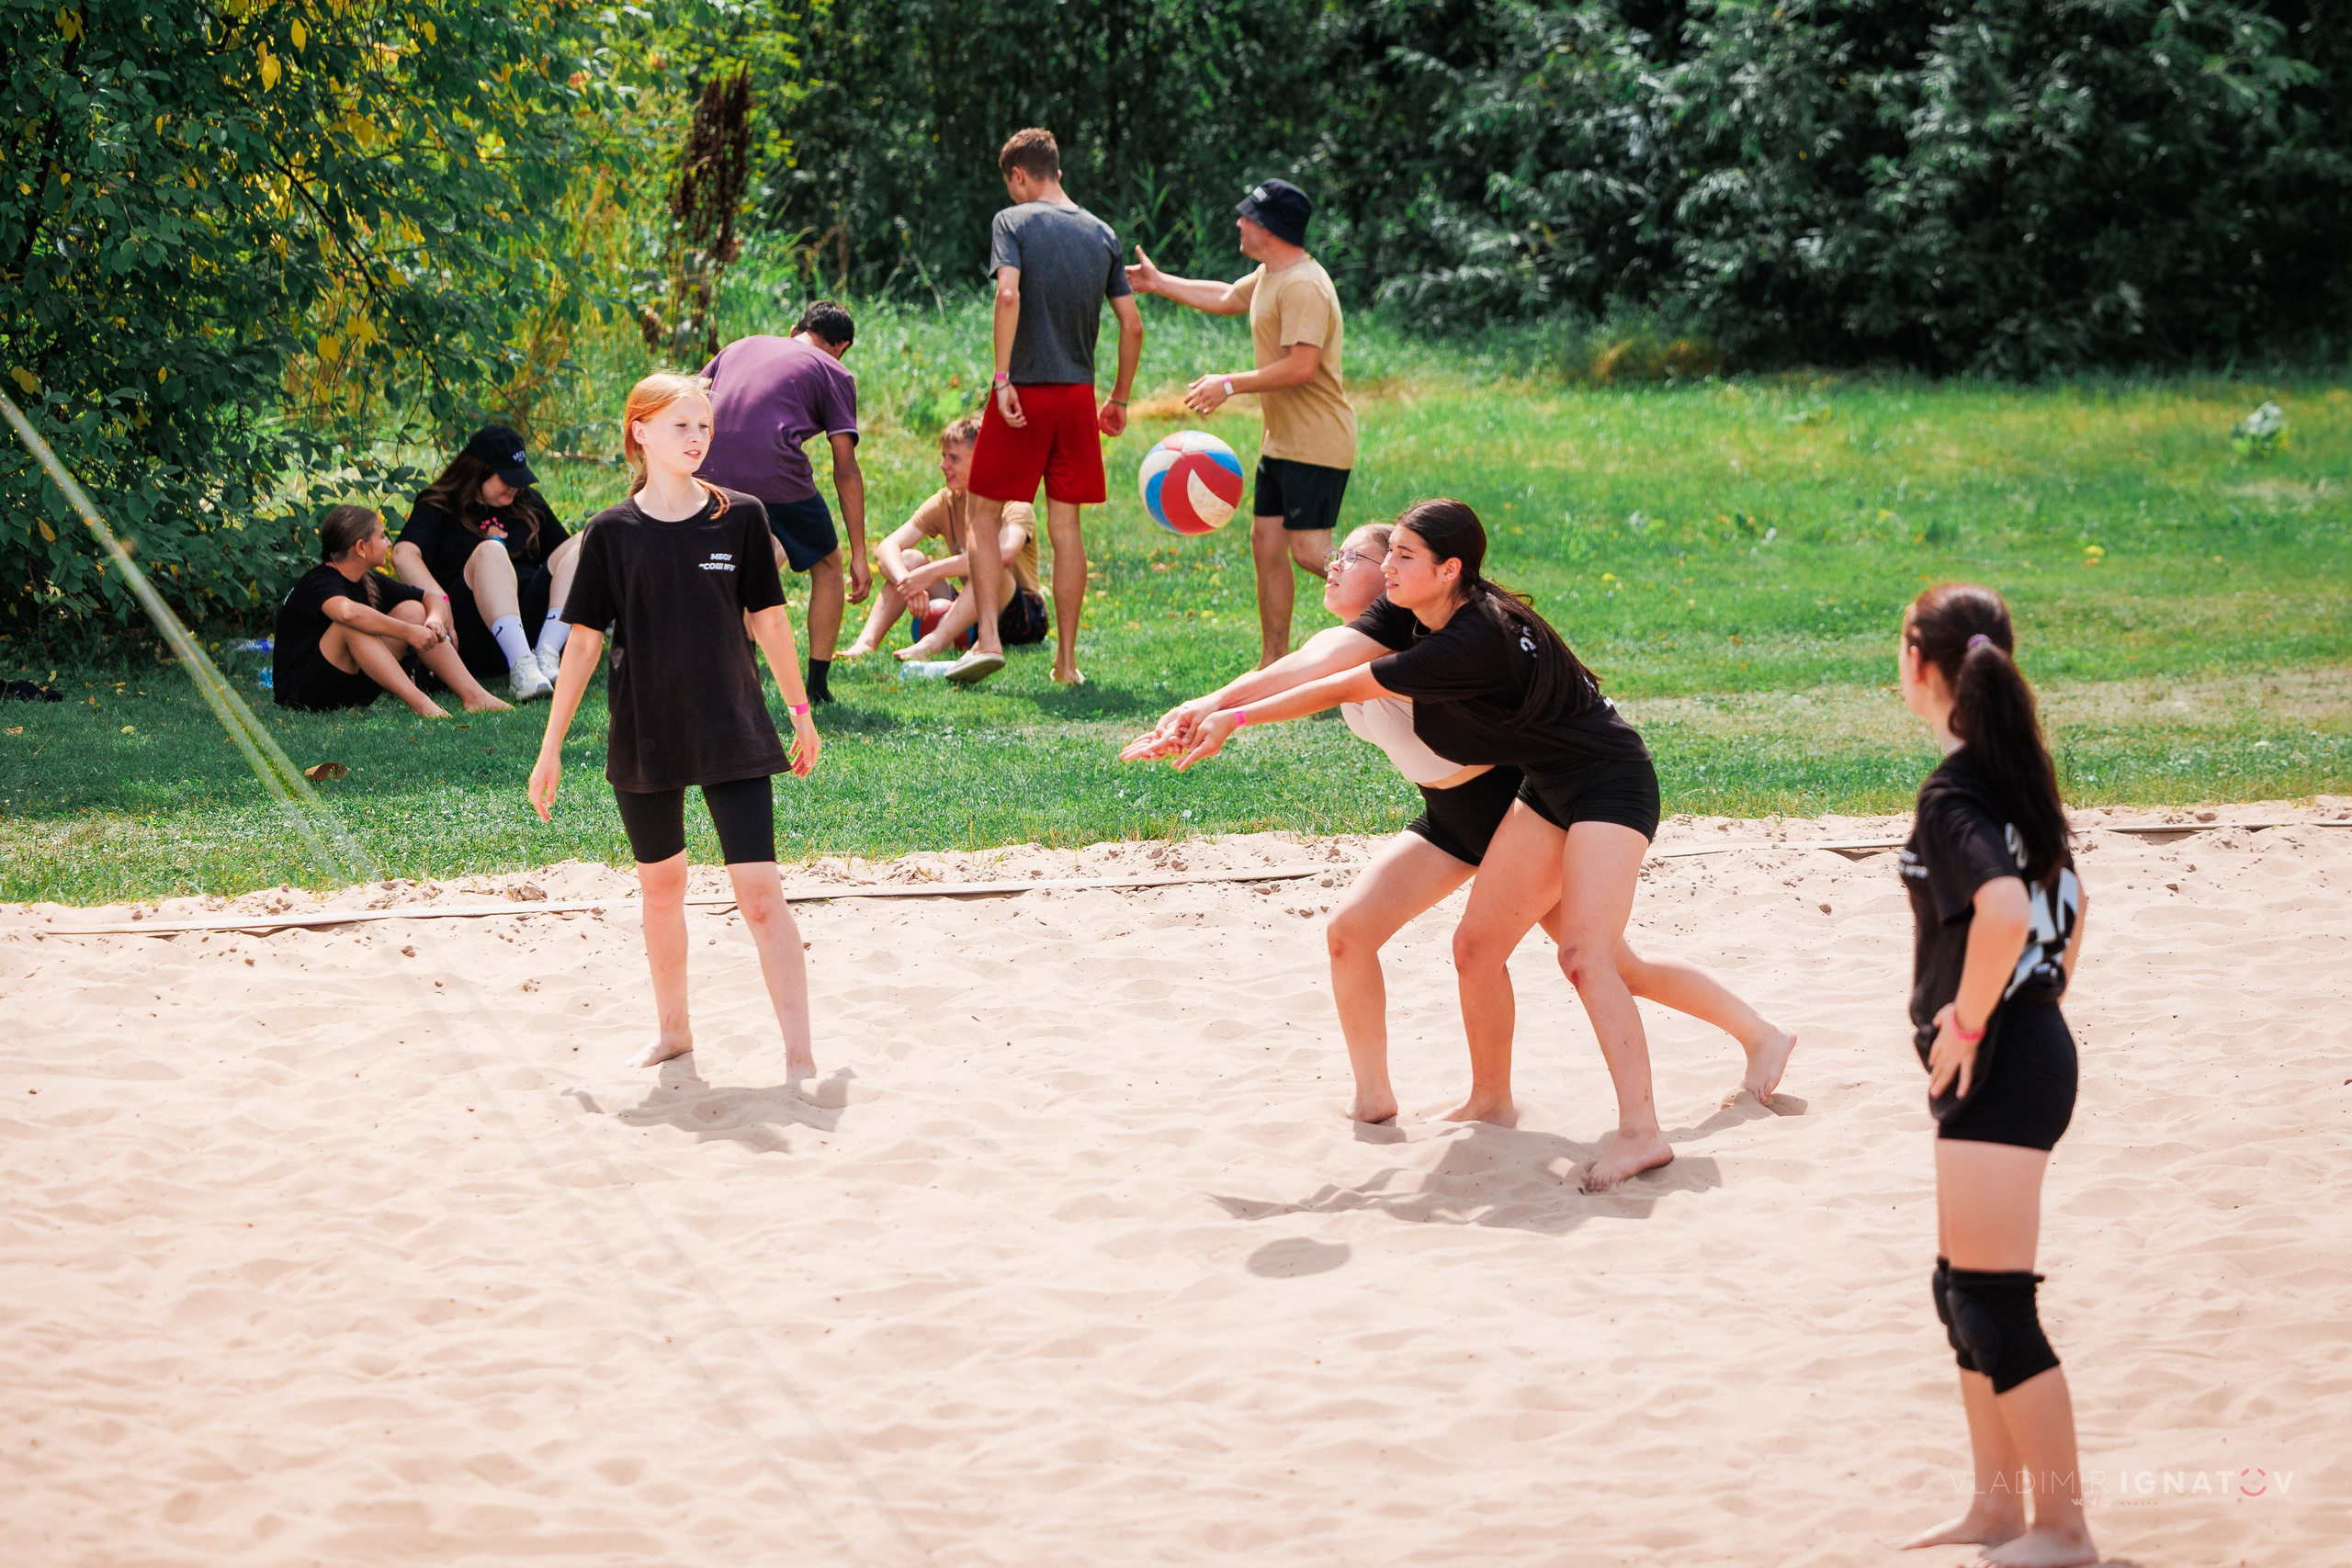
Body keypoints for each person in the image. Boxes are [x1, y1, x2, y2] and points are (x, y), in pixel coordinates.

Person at [1126, 521, 1792, 1125]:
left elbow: (1334, 682)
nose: (1339, 565)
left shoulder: (1433, 635)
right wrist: (1202, 705)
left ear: (1429, 571)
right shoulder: (1371, 630)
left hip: (1511, 810)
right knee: (1350, 933)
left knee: (1607, 963)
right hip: (1451, 818)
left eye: (1360, 556)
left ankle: (1755, 1036)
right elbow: (1306, 665)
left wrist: (1230, 716)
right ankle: (1378, 1096)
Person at [527, 373, 826, 1077]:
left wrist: (801, 711)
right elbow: (583, 645)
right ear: (641, 431)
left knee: (760, 895)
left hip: (733, 727)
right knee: (661, 889)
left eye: (704, 426)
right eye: (681, 425)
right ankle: (674, 1033)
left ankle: (800, 1054)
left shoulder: (741, 516)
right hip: (647, 730)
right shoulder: (609, 533)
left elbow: (770, 621)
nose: (697, 438)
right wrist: (550, 747)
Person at [1892, 585, 2096, 1568]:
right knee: (1960, 1292)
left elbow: (2009, 909)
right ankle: (1995, 1509)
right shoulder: (2016, 774)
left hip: (2006, 1057)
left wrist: (1974, 1018)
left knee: (1991, 1303)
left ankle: (2062, 1529)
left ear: (1919, 663)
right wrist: (2032, 999)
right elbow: (2071, 901)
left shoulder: (1956, 792)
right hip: (2024, 1048)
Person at [1125, 178, 1359, 667]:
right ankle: (1272, 663)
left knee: (1310, 551)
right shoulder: (1273, 274)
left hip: (1317, 441)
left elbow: (1302, 367)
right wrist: (1158, 282)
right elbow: (1229, 297)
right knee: (1266, 545)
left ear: (1270, 228)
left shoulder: (1304, 285)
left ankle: (1405, 604)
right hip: (1282, 443)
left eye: (1248, 216)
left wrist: (1229, 384)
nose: (1239, 222)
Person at [944, 127, 1144, 688]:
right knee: (1066, 526)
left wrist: (1002, 377)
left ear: (1018, 175)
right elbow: (1132, 324)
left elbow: (1007, 294)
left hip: (1025, 390)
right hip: (1078, 396)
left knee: (983, 513)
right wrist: (1119, 397)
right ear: (1057, 170)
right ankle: (1067, 662)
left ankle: (988, 639)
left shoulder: (1012, 222)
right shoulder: (1102, 233)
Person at [697, 300, 872, 705]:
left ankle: (737, 673)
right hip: (774, 472)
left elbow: (687, 400)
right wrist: (859, 555)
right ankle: (817, 686)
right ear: (841, 346)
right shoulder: (835, 371)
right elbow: (845, 468)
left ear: (795, 331)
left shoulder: (740, 346)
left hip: (706, 470)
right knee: (827, 565)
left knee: (728, 567)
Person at [390, 425, 582, 703]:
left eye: (519, 478)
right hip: (469, 627)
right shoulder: (440, 505)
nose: (515, 487)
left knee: (588, 540)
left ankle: (548, 656)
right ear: (478, 471)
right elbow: (403, 555)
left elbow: (568, 563)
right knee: (491, 551)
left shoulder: (527, 502)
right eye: (506, 479)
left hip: (531, 620)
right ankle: (522, 668)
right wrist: (440, 604)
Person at [839, 414, 1049, 661]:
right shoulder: (947, 501)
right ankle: (866, 643)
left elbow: (1004, 554)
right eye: (943, 456)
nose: (943, 465)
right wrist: (907, 583)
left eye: (954, 458)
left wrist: (931, 573)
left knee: (989, 567)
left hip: (1020, 615)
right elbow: (887, 547)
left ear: (982, 459)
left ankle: (933, 643)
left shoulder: (1014, 503)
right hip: (973, 608)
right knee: (908, 560)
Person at [274, 504, 512, 718]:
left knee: (413, 609)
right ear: (361, 547)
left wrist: (434, 620)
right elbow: (348, 614)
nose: (388, 543)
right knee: (350, 626)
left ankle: (474, 696)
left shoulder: (368, 579)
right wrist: (408, 632)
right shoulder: (319, 581)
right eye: (382, 536)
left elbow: (431, 597)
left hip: (350, 690)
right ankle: (421, 704)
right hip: (303, 695)